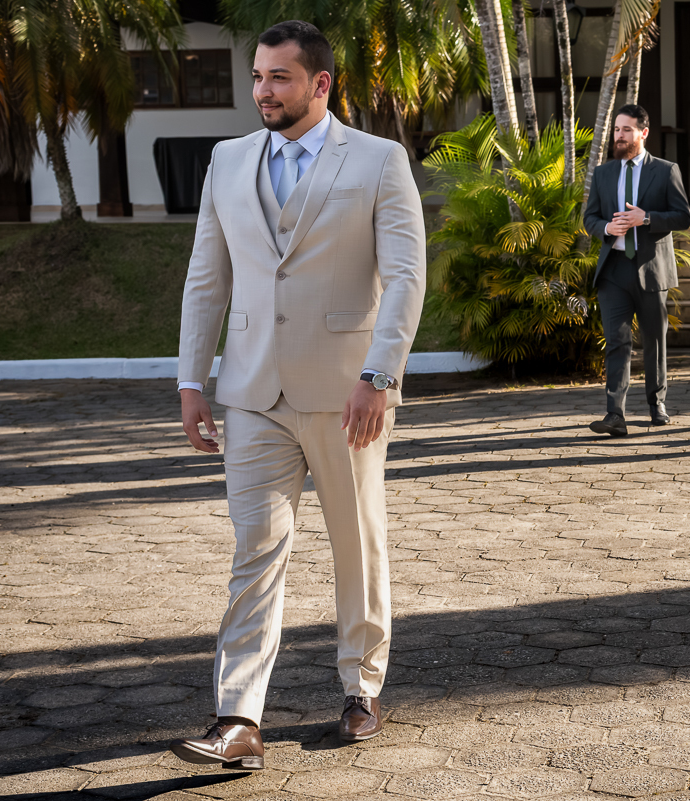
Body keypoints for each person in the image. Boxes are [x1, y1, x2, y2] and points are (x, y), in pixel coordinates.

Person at [168, 20, 425, 770]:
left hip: (349, 391)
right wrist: (192, 379)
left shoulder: (379, 161)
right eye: (256, 76)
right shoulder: (227, 159)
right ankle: (240, 716)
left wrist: (380, 375)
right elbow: (206, 277)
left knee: (358, 543)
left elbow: (407, 276)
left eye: (278, 77)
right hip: (250, 392)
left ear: (320, 84)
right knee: (255, 550)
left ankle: (360, 688)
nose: (261, 91)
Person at [583, 104, 690, 437]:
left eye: (626, 130)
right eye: (617, 129)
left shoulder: (665, 170)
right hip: (613, 269)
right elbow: (589, 219)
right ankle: (615, 413)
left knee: (654, 340)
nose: (619, 135)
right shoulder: (603, 174)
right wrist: (605, 229)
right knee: (617, 343)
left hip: (650, 269)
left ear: (643, 133)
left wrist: (645, 218)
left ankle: (657, 404)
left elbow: (682, 216)